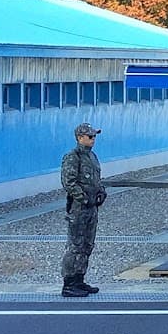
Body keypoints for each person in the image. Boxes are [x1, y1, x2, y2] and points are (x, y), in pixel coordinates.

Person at [60, 123, 106, 298]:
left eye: (94, 136)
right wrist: (84, 199)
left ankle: (79, 279)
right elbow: (69, 182)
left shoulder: (92, 156)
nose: (93, 139)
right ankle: (69, 283)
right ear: (80, 138)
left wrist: (101, 192)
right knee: (75, 245)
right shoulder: (73, 157)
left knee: (87, 244)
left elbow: (96, 180)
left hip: (92, 208)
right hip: (79, 208)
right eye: (90, 136)